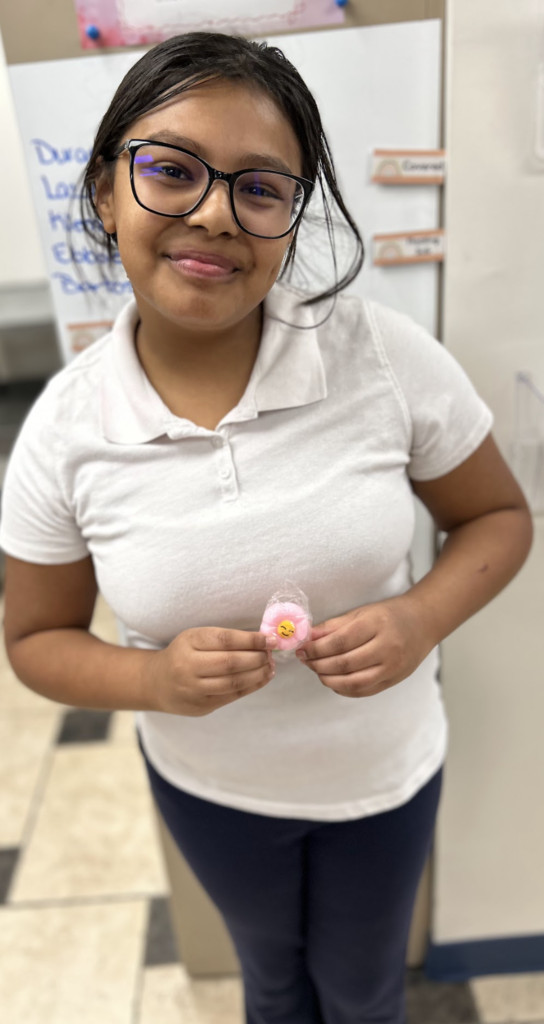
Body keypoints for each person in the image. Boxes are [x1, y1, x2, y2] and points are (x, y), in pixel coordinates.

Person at [0, 32, 532, 1024]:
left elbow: (498, 517)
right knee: (274, 987)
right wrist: (153, 678)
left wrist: (418, 617)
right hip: (213, 790)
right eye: (169, 169)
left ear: (291, 219)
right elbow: (36, 643)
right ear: (107, 192)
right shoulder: (65, 431)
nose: (213, 211)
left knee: (365, 989)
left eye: (260, 187)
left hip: (383, 775)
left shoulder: (380, 357)